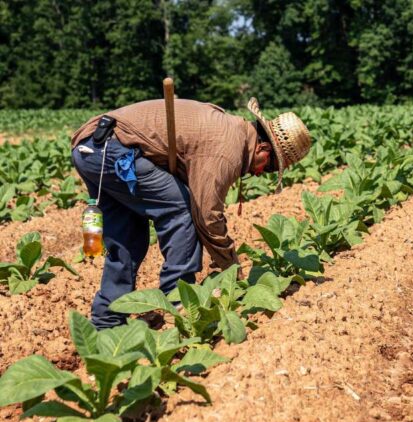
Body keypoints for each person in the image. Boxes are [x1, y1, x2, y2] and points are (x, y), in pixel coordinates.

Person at [70, 97, 311, 329]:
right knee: (183, 208)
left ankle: (106, 323)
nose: (260, 173)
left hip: (92, 147)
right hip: (112, 150)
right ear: (263, 147)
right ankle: (178, 304)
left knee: (128, 237)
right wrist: (231, 269)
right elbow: (206, 216)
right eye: (269, 167)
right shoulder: (228, 150)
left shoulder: (232, 130)